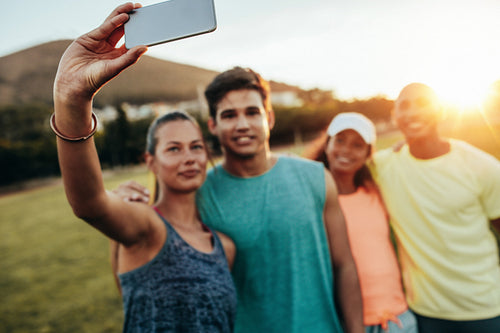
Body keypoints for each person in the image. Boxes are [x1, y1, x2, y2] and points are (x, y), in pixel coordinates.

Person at [114, 70, 364, 331]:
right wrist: (123, 208)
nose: (242, 124)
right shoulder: (196, 194)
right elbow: (145, 263)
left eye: (252, 112)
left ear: (269, 117)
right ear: (213, 125)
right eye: (229, 115)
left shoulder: (317, 178)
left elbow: (344, 264)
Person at [52, 3, 236, 332]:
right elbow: (89, 203)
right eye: (174, 148)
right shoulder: (145, 226)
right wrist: (72, 99)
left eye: (196, 147)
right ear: (150, 160)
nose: (189, 157)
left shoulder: (226, 247)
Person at [371, 83, 500, 333]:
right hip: (425, 313)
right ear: (395, 117)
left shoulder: (483, 166)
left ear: (441, 111)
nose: (413, 113)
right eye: (404, 106)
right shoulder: (384, 166)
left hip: (486, 308)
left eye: (423, 104)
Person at [304, 112, 418, 333]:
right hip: (346, 321)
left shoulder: (375, 191)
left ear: (368, 153)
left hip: (397, 317)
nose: (346, 150)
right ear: (327, 145)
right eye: (340, 141)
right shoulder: (313, 200)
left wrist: (406, 147)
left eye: (357, 145)